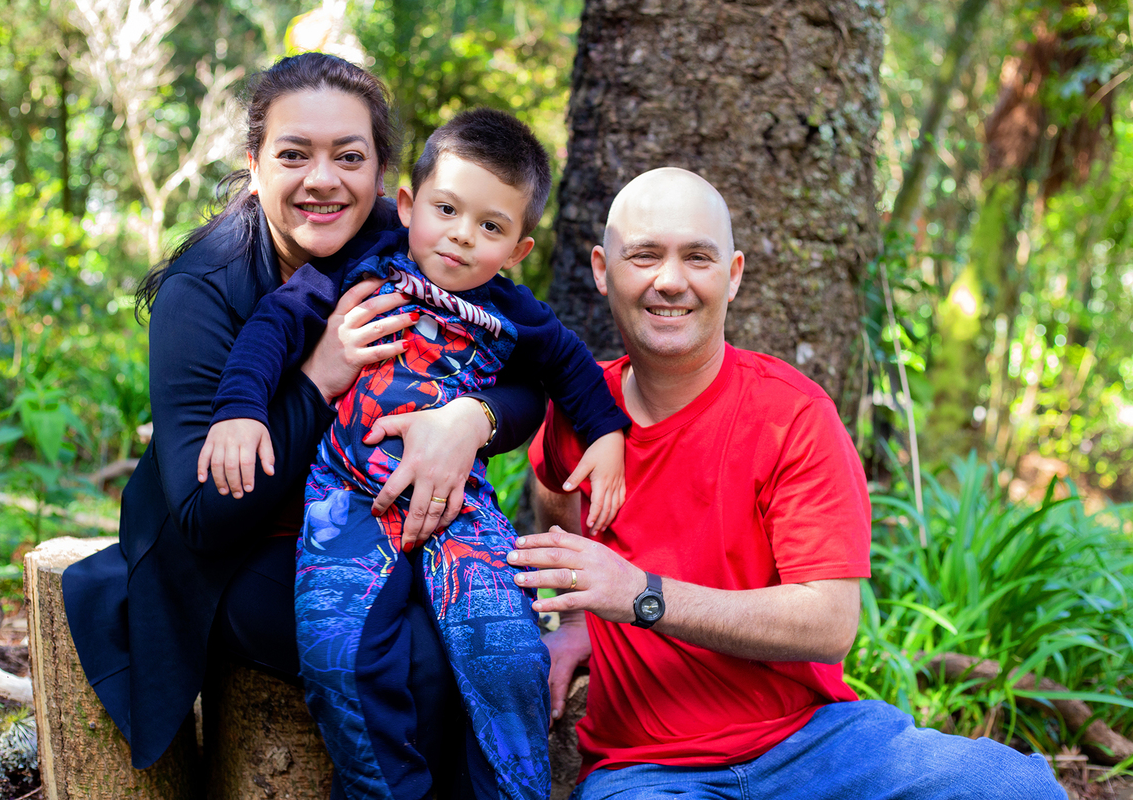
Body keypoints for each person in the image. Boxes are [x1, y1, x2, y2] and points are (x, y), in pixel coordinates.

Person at [60, 54, 547, 799]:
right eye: (294, 155)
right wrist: (321, 375)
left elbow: (529, 367)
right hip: (237, 557)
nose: (324, 180)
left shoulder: (411, 238)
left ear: (384, 176)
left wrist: (470, 419)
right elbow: (206, 517)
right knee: (412, 658)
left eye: (348, 157)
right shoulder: (204, 292)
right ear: (255, 165)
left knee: (484, 635)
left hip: (375, 524)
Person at [509, 168, 1067, 799]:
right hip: (647, 768)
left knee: (1011, 785)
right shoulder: (577, 415)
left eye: (698, 257)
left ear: (735, 274)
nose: (670, 280)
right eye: (644, 255)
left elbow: (829, 622)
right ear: (603, 270)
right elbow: (553, 491)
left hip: (814, 742)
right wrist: (582, 614)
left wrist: (639, 595)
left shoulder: (791, 414)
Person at [197, 108, 630, 800]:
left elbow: (571, 368)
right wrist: (240, 410)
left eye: (490, 227)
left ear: (518, 249)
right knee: (344, 653)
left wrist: (607, 437)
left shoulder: (514, 311)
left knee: (509, 650)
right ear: (407, 205)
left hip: (460, 508)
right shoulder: (360, 268)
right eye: (447, 210)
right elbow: (274, 325)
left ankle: (511, 789)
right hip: (349, 501)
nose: (461, 236)